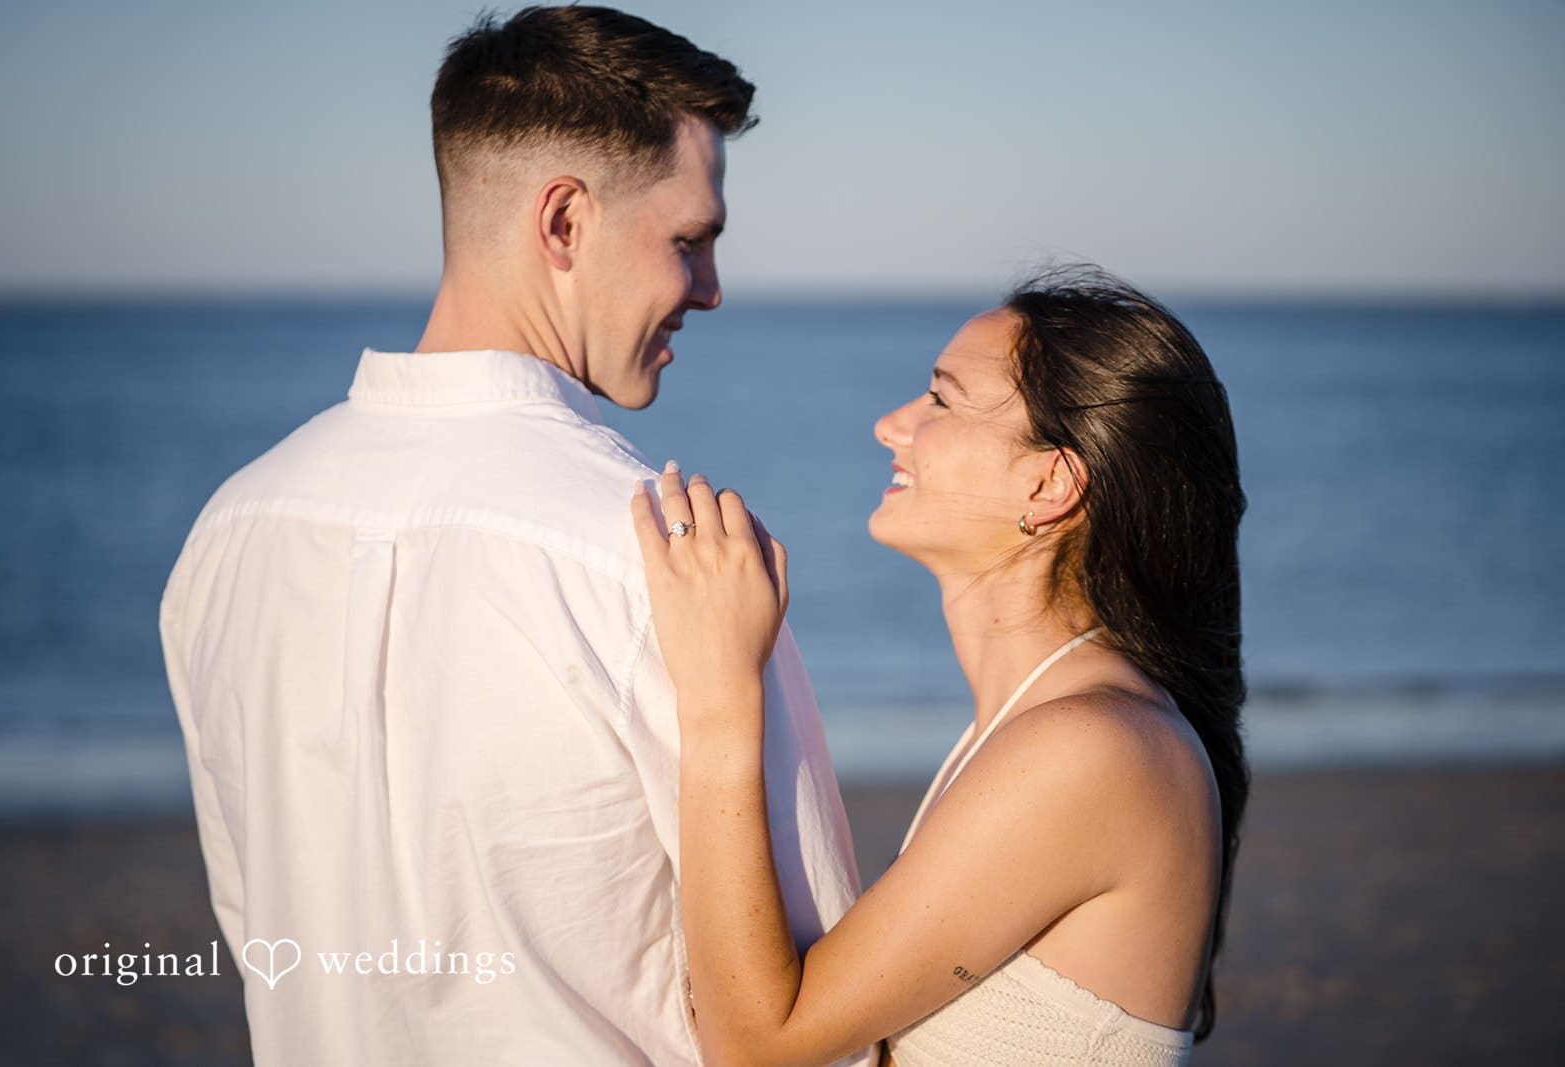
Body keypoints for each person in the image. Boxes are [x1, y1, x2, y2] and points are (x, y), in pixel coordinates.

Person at [159, 7, 872, 1064]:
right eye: (690, 240)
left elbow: (262, 928)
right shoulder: (668, 564)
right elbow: (817, 1020)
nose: (710, 291)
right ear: (564, 223)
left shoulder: (229, 533)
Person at [632, 268, 1249, 1066]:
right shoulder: (1046, 725)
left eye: (942, 401)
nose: (891, 424)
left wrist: (720, 692)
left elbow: (757, 1044)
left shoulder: (1092, 747)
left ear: (1049, 482)